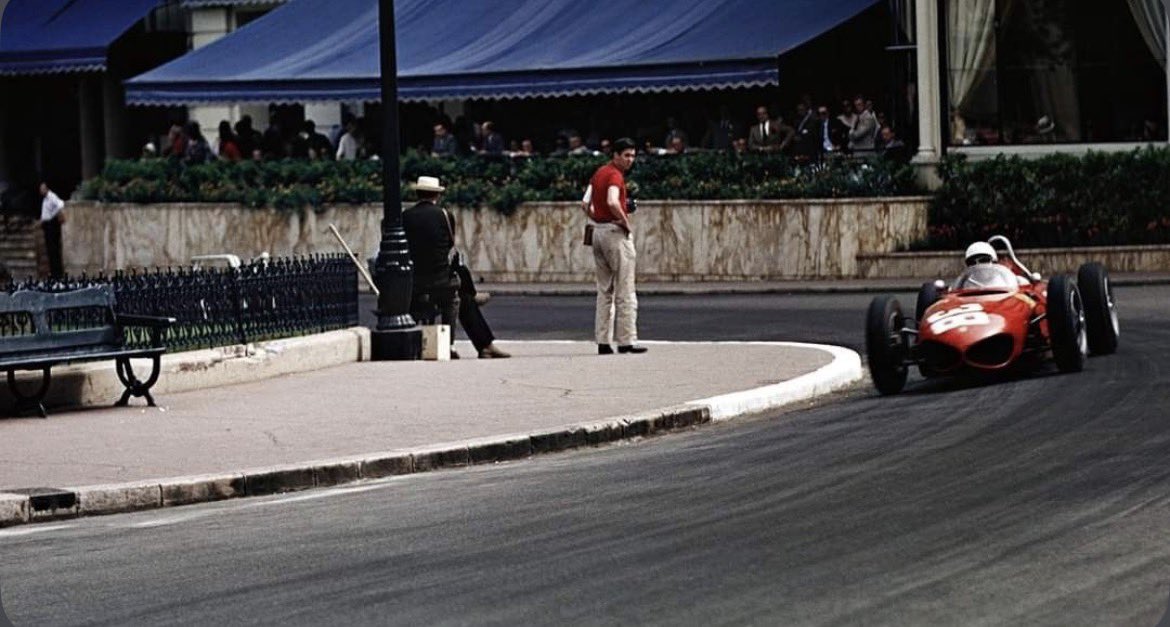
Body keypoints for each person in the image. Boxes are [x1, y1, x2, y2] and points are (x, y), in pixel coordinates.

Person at [402, 176, 510, 359]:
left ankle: (482, 344)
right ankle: (477, 344)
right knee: (461, 297)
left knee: (461, 295)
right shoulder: (444, 215)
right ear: (437, 195)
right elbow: (450, 245)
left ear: (417, 194)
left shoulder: (405, 216)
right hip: (440, 281)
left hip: (413, 282)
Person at [582, 137, 646, 355]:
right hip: (614, 234)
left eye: (633, 156)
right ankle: (626, 341)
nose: (630, 160)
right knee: (625, 288)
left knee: (604, 290)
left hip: (598, 232)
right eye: (626, 155)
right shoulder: (615, 176)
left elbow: (585, 203)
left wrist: (596, 218)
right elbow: (611, 201)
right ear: (616, 155)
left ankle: (603, 341)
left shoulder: (599, 173)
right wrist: (624, 222)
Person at [39, 182, 66, 279]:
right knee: (50, 250)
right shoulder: (45, 199)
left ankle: (57, 274)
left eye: (43, 189)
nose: (41, 191)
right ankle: (54, 272)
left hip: (51, 224)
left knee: (54, 249)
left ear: (47, 189)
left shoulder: (51, 196)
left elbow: (60, 204)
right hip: (47, 224)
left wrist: (59, 214)